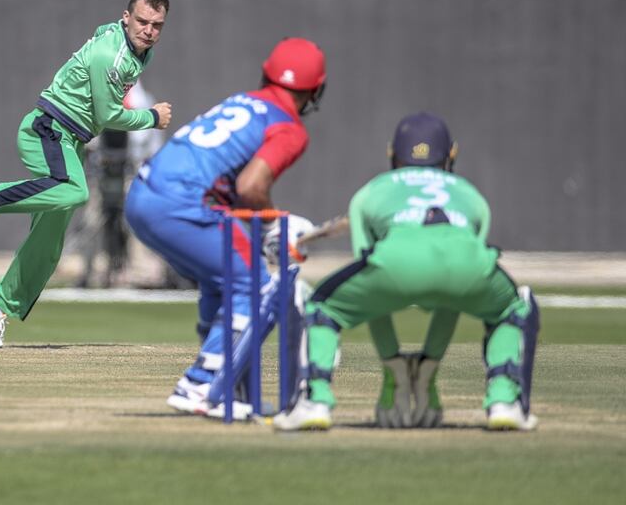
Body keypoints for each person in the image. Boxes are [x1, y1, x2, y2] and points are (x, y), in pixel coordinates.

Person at [273, 112, 540, 432]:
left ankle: (313, 401)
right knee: (510, 310)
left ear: (392, 155)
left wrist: (394, 369)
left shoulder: (370, 192)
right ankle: (505, 402)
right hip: (466, 267)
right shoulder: (472, 197)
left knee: (318, 307)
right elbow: (453, 294)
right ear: (451, 155)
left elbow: (372, 289)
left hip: (395, 263)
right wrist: (428, 367)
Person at [0, 0, 173, 348]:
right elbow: (107, 115)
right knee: (74, 191)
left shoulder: (132, 47)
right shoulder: (110, 56)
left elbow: (104, 31)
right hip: (48, 130)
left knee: (49, 243)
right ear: (126, 17)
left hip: (70, 142)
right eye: (142, 21)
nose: (149, 30)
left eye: (157, 25)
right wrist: (152, 116)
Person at [123, 37, 326, 416]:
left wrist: (265, 226)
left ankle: (229, 387)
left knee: (226, 282)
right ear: (316, 90)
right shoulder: (289, 128)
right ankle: (201, 384)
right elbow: (252, 187)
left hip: (142, 195)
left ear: (267, 72)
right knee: (256, 287)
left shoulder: (241, 101)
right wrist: (275, 224)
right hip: (180, 203)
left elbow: (231, 188)